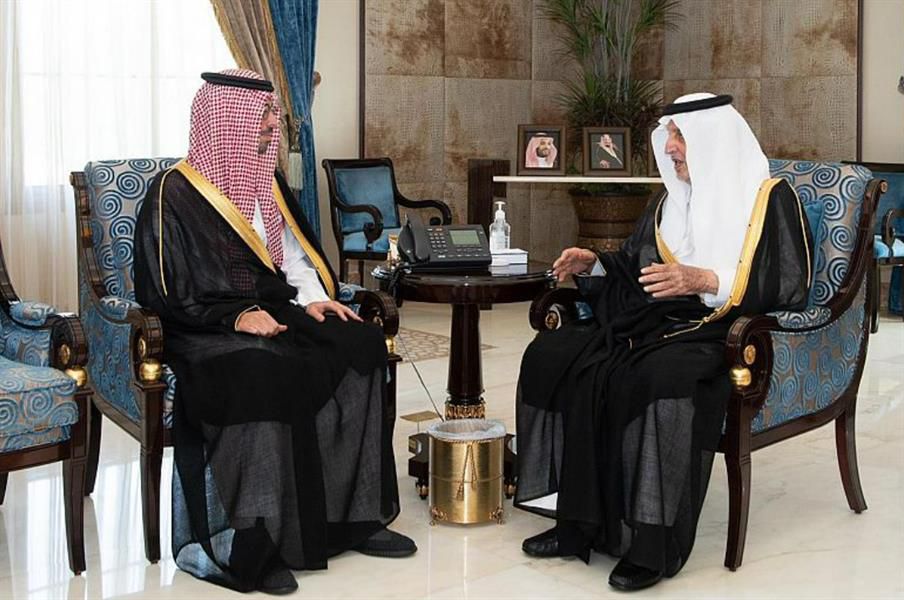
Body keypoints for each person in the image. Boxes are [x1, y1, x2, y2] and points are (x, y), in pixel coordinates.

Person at [514, 93, 813, 591]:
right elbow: (638, 265)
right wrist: (597, 264)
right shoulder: (669, 200)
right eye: (669, 136)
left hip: (722, 330)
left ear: (713, 141)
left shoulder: (768, 198)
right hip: (653, 319)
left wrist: (704, 279)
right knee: (554, 354)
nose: (670, 147)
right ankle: (576, 521)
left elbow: (787, 284)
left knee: (656, 379)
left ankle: (649, 543)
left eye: (680, 137)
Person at [133, 69, 415, 595]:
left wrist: (314, 300)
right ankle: (252, 544)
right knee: (258, 367)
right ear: (227, 120)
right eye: (262, 114)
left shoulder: (267, 181)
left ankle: (351, 517)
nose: (272, 125)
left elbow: (291, 259)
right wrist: (233, 317)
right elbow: (167, 286)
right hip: (201, 326)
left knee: (359, 343)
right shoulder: (174, 192)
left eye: (272, 114)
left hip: (274, 310)